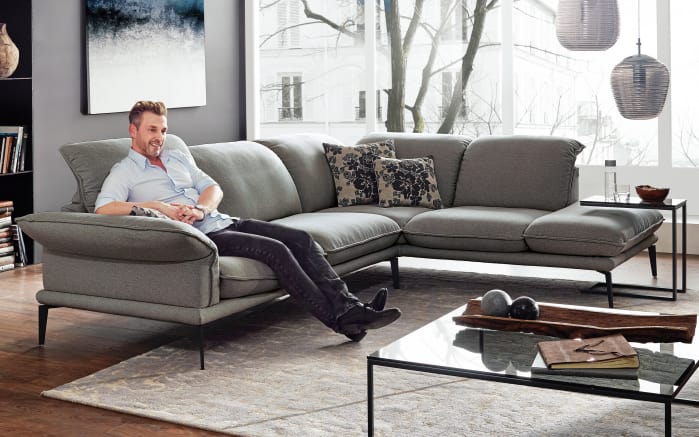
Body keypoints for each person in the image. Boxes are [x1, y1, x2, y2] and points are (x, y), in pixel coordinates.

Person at [95, 100, 401, 341]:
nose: (159, 137)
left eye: (163, 130)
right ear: (133, 130)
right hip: (205, 238)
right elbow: (103, 209)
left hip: (222, 220)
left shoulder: (176, 158)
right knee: (277, 251)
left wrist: (200, 208)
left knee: (302, 239)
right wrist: (157, 206)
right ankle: (341, 320)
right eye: (152, 130)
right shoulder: (125, 171)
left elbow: (213, 188)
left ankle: (350, 309)